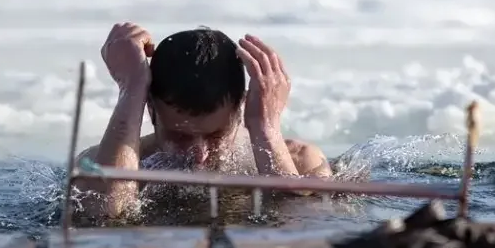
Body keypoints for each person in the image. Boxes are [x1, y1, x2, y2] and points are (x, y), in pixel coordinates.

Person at [74, 22, 331, 220]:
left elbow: (303, 229)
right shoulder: (104, 164)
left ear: (240, 109)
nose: (200, 156)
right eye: (180, 136)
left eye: (215, 135)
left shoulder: (299, 162)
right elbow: (107, 217)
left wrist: (266, 129)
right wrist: (131, 89)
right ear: (150, 109)